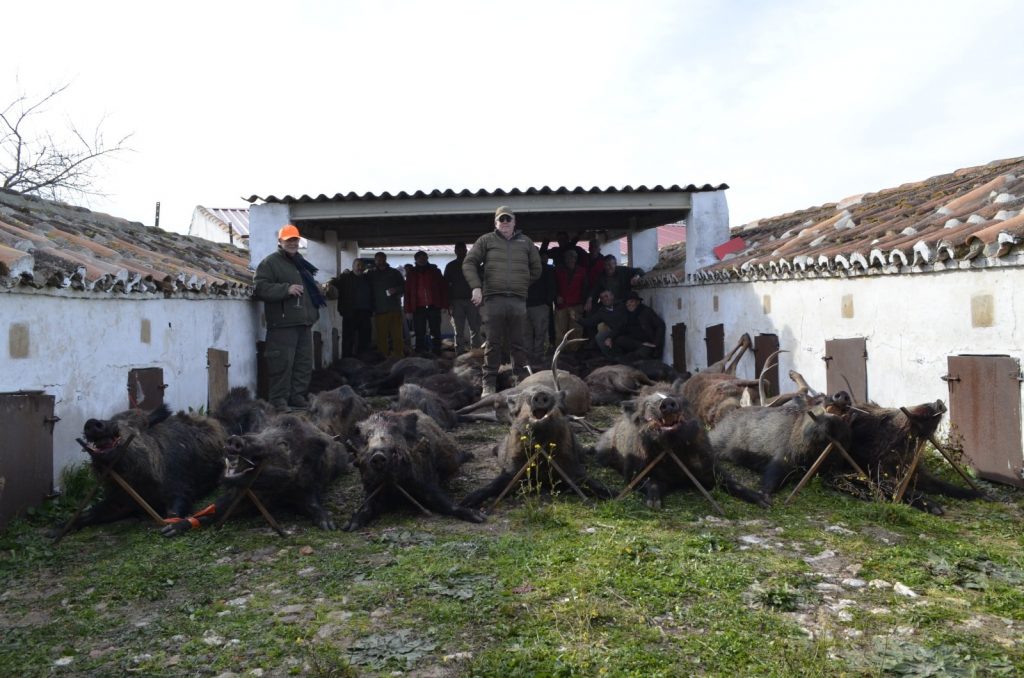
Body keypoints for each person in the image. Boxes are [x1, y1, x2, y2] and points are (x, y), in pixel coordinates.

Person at [463, 205, 541, 396]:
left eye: (508, 219)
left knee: (518, 343)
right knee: (492, 342)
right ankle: (488, 384)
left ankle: (521, 381)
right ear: (495, 223)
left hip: (517, 301)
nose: (505, 223)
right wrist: (476, 287)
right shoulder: (486, 241)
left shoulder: (526, 242)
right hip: (493, 300)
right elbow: (469, 262)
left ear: (515, 222)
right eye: (501, 220)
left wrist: (520, 284)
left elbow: (537, 269)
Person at [254, 224, 327, 410]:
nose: (293, 243)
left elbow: (309, 288)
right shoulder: (270, 263)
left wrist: (319, 289)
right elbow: (260, 288)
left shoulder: (302, 263)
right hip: (282, 324)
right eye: (288, 240)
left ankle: (297, 397)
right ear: (280, 242)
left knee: (303, 364)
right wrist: (285, 289)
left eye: (295, 239)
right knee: (281, 364)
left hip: (304, 323)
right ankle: (278, 401)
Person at [404, 250, 447, 354]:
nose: (422, 260)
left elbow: (443, 288)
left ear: (427, 258)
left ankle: (437, 351)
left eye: (424, 257)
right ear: (415, 259)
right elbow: (407, 293)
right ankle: (420, 352)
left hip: (434, 306)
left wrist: (445, 305)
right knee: (420, 332)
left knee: (435, 331)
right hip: (418, 307)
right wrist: (408, 310)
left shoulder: (435, 271)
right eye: (420, 258)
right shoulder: (411, 273)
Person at [329, 258, 372, 358]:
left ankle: (363, 359)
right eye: (357, 265)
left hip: (365, 312)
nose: (360, 268)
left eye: (362, 265)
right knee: (348, 338)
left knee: (365, 337)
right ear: (352, 266)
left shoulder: (368, 278)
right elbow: (331, 284)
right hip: (349, 312)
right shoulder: (345, 278)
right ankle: (347, 359)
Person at [443, 242, 482, 353]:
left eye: (462, 249)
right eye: (458, 249)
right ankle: (459, 353)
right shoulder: (450, 266)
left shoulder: (474, 264)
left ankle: (476, 352)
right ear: (455, 251)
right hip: (456, 302)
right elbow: (445, 285)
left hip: (473, 301)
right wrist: (448, 303)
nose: (460, 251)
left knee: (475, 328)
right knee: (458, 330)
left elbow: (482, 281)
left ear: (466, 250)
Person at [367, 251, 405, 358]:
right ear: (375, 261)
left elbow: (404, 286)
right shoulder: (370, 274)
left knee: (397, 335)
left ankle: (399, 356)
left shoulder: (395, 272)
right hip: (379, 309)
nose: (380, 261)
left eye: (382, 259)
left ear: (386, 259)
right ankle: (383, 357)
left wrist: (396, 290)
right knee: (381, 336)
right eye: (378, 259)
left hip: (394, 308)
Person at [614, 291, 666, 360]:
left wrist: (656, 343)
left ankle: (629, 358)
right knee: (618, 340)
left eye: (631, 302)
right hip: (635, 342)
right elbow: (619, 327)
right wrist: (610, 337)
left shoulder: (646, 311)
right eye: (627, 303)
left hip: (647, 343)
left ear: (638, 302)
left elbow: (660, 325)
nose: (629, 304)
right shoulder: (625, 313)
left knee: (643, 353)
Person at [553, 249, 588, 349]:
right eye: (568, 257)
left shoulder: (582, 271)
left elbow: (585, 288)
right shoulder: (558, 270)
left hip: (576, 306)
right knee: (560, 331)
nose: (570, 259)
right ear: (564, 259)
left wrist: (583, 303)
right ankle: (560, 352)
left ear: (576, 259)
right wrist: (556, 296)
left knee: (576, 330)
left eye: (572, 257)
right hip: (562, 306)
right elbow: (552, 286)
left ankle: (574, 352)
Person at [579, 289, 628, 359]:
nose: (605, 299)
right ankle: (612, 357)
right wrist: (577, 319)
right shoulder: (602, 312)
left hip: (627, 330)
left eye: (606, 296)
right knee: (600, 337)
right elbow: (590, 322)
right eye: (602, 298)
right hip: (614, 333)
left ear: (612, 296)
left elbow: (622, 324)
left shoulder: (622, 305)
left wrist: (610, 337)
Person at [525, 261, 555, 364]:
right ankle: (529, 357)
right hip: (524, 305)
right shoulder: (522, 267)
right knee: (527, 333)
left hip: (540, 305)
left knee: (540, 333)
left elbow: (551, 285)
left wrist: (547, 302)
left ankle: (539, 356)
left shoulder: (544, 269)